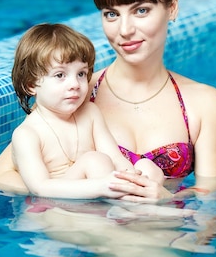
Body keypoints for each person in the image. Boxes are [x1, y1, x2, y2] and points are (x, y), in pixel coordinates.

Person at [0, 0, 216, 202]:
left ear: (172, 7)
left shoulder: (203, 102)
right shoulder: (77, 92)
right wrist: (79, 187)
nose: (125, 30)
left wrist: (165, 198)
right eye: (111, 14)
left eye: (141, 10)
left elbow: (211, 194)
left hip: (164, 225)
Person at [10, 23, 164, 199]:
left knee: (147, 167)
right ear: (31, 85)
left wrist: (132, 177)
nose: (75, 84)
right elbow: (40, 188)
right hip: (60, 207)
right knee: (94, 160)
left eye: (81, 74)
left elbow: (115, 157)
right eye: (60, 75)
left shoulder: (90, 113)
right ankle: (144, 213)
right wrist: (100, 187)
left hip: (102, 190)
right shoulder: (27, 134)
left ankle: (138, 208)